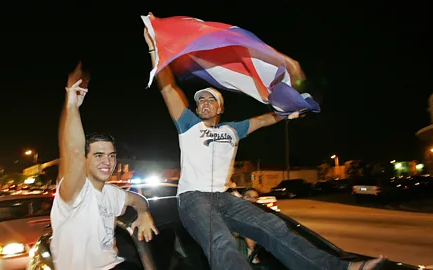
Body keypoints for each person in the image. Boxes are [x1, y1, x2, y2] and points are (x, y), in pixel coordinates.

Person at [144, 14, 383, 270]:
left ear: (220, 108)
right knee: (220, 240)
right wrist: (155, 48)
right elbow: (168, 88)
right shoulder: (188, 124)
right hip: (194, 199)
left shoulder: (234, 129)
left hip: (224, 197)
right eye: (200, 100)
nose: (203, 103)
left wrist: (291, 108)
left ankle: (342, 268)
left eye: (209, 100)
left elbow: (265, 120)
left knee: (275, 227)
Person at [50, 63, 159, 270]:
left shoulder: (113, 194)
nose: (107, 162)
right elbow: (73, 152)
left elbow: (139, 200)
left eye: (111, 155)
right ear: (85, 160)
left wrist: (144, 213)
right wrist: (72, 104)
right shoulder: (73, 192)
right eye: (98, 155)